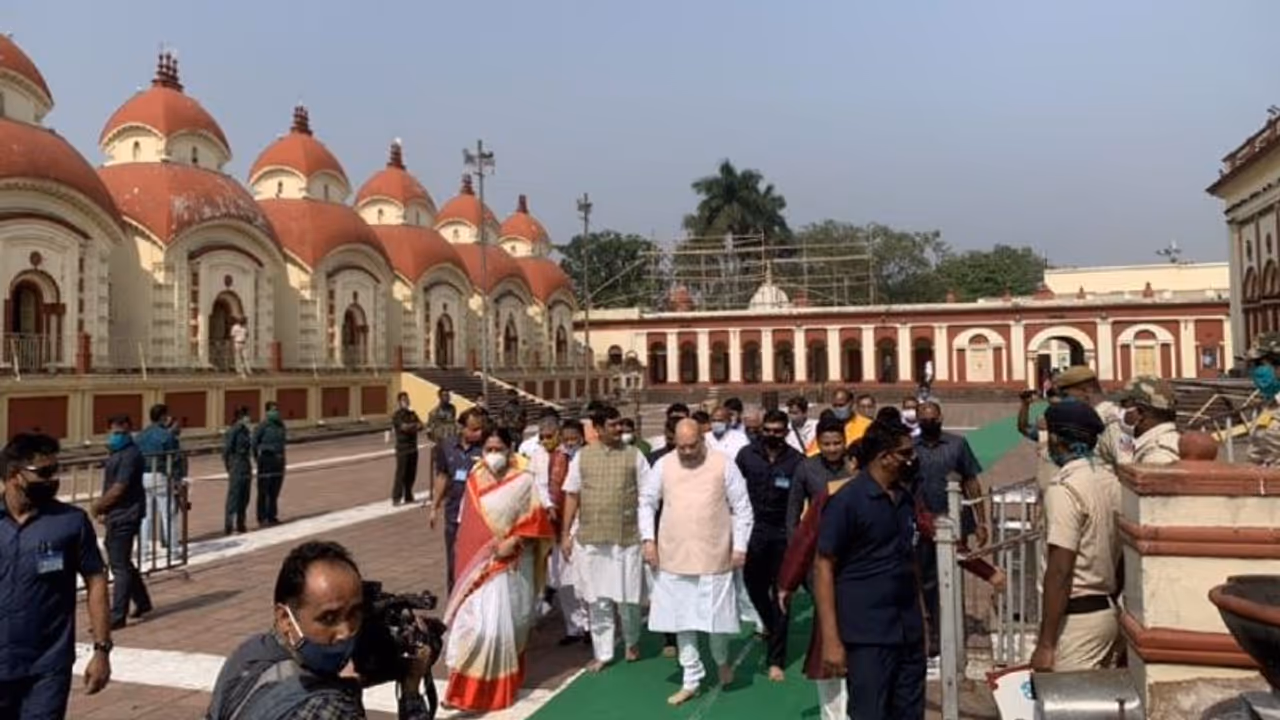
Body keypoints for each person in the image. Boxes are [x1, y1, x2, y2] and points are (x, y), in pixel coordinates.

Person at [207, 541, 431, 719]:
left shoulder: (250, 652)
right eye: (328, 618)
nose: (345, 631)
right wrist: (411, 693)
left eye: (355, 613)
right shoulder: (330, 707)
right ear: (285, 618)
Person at [814, 419, 925, 720]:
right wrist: (832, 640)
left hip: (907, 632)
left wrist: (922, 619)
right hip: (867, 635)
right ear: (884, 457)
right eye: (904, 454)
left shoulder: (903, 499)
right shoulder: (847, 502)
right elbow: (823, 567)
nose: (910, 460)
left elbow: (910, 560)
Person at [640, 419, 754, 705]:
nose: (688, 452)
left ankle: (721, 660)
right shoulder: (663, 465)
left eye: (693, 446)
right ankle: (691, 678)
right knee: (682, 622)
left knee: (716, 621)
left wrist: (740, 546)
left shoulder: (724, 464)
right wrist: (648, 540)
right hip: (673, 555)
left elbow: (742, 507)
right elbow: (647, 502)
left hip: (714, 555)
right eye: (682, 447)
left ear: (703, 440)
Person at [0, 434, 113, 717]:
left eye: (56, 470)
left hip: (47, 666)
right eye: (45, 472)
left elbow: (96, 580)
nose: (54, 479)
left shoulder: (70, 522)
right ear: (15, 475)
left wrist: (101, 650)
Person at [443, 428, 556, 711]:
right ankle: (463, 694)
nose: (493, 455)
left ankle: (497, 692)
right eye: (488, 449)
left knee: (504, 632)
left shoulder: (523, 481)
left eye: (498, 449)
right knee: (475, 629)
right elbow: (467, 527)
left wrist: (515, 540)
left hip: (512, 567)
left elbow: (538, 523)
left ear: (510, 449)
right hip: (479, 568)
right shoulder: (474, 479)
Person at [1030, 402, 1123, 673]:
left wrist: (1046, 644)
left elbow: (1060, 568)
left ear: (1058, 439)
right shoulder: (1110, 482)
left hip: (1076, 619)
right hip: (1105, 610)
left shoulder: (1064, 489)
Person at [560, 405, 651, 672]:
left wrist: (648, 536)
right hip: (591, 540)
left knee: (628, 598)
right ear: (597, 429)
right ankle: (604, 652)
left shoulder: (634, 455)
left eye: (620, 424)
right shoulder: (582, 457)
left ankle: (632, 640)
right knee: (597, 598)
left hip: (626, 539)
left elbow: (647, 496)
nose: (619, 429)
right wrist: (565, 534)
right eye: (612, 425)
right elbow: (572, 494)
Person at [778, 444, 857, 720]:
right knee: (830, 652)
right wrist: (788, 581)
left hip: (872, 592)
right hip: (834, 585)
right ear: (853, 464)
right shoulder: (829, 496)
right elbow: (806, 536)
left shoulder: (893, 494)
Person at [911, 401, 988, 670]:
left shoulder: (957, 445)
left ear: (941, 418)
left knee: (954, 575)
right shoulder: (911, 448)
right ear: (918, 421)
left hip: (954, 521)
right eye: (924, 419)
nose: (929, 422)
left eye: (933, 418)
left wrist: (982, 520)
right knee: (927, 581)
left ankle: (954, 628)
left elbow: (971, 481)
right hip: (922, 525)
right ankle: (934, 634)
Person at [736, 409, 805, 681]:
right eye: (768, 430)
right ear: (761, 430)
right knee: (753, 587)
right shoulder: (746, 455)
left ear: (786, 432)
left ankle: (776, 659)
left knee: (782, 596)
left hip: (783, 535)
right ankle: (770, 623)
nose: (772, 436)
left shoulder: (797, 462)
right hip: (752, 533)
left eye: (778, 431)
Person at [93, 413, 153, 628]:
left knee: (119, 566)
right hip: (117, 514)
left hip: (126, 514)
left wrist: (98, 506)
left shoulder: (130, 455)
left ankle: (117, 615)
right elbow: (110, 485)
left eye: (122, 432)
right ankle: (143, 602)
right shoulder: (116, 453)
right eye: (115, 432)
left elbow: (119, 488)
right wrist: (105, 509)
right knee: (123, 562)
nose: (117, 436)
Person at [431, 409, 486, 593]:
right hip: (454, 515)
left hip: (478, 516)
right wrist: (434, 507)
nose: (478, 433)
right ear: (461, 428)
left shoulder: (487, 447)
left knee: (476, 563)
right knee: (453, 562)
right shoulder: (446, 447)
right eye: (473, 429)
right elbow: (442, 476)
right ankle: (453, 602)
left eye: (480, 429)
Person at [1054, 365, 1133, 470]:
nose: (1061, 401)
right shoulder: (1089, 419)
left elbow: (1128, 468)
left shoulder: (1113, 423)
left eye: (1066, 396)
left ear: (1087, 391)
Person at [786, 418, 850, 535]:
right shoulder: (806, 468)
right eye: (826, 444)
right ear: (818, 444)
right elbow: (793, 510)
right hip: (818, 537)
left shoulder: (856, 467)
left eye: (837, 443)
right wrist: (795, 544)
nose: (832, 449)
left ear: (845, 441)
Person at [137, 403, 180, 562]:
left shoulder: (141, 435)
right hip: (161, 474)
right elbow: (174, 458)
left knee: (145, 516)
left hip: (143, 475)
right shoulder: (166, 435)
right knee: (168, 514)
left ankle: (144, 552)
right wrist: (177, 479)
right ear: (163, 416)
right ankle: (173, 550)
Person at [1118, 376, 1181, 465]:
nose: (1119, 412)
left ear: (1140, 413)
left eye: (1124, 406)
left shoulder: (1157, 456)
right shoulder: (1149, 444)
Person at [808, 388, 872, 455]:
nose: (838, 409)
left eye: (841, 405)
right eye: (835, 406)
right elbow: (813, 452)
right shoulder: (827, 426)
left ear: (851, 403)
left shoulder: (867, 425)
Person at [254, 401, 288, 525]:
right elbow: (254, 443)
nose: (275, 412)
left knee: (275, 490)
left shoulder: (281, 425)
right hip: (266, 460)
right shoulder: (263, 426)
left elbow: (283, 443)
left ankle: (272, 516)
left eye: (276, 410)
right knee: (263, 491)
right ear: (267, 412)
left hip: (279, 460)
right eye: (272, 410)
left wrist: (282, 459)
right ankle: (262, 517)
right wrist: (258, 459)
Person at [223, 406, 253, 535]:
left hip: (246, 464)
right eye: (246, 416)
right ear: (241, 417)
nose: (249, 418)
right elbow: (226, 451)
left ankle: (241, 524)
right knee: (234, 497)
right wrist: (230, 467)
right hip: (236, 464)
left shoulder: (245, 430)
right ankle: (229, 526)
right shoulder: (233, 431)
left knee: (245, 496)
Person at [390, 392, 423, 506]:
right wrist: (413, 426)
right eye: (404, 399)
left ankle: (408, 495)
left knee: (411, 473)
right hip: (402, 448)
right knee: (401, 473)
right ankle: (396, 497)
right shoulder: (397, 415)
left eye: (407, 399)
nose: (406, 401)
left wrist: (411, 426)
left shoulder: (412, 414)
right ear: (399, 402)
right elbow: (403, 427)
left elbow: (421, 425)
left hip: (413, 447)